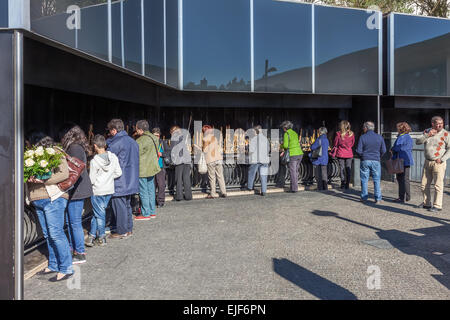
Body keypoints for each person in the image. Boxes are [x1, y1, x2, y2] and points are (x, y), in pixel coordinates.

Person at [27, 134, 73, 282]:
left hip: (53, 198)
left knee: (56, 234)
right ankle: (53, 264)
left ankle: (66, 268)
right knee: (48, 235)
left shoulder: (55, 152)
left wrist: (43, 180)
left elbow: (63, 173)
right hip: (37, 200)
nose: (27, 146)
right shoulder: (30, 157)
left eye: (29, 143)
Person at [59, 123, 93, 264]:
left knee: (74, 222)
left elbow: (74, 171)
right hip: (79, 188)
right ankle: (75, 249)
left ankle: (79, 252)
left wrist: (65, 185)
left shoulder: (74, 148)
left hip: (77, 189)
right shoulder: (78, 147)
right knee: (72, 221)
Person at [86, 134, 122, 247]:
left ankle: (101, 237)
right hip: (109, 189)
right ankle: (91, 236)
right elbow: (119, 173)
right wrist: (109, 177)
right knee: (98, 214)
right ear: (105, 145)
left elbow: (92, 179)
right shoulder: (113, 157)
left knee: (99, 214)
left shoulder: (94, 161)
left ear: (95, 146)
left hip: (97, 190)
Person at [106, 119, 139, 238]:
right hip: (131, 178)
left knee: (119, 207)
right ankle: (128, 229)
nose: (109, 134)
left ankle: (121, 231)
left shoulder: (115, 144)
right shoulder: (133, 141)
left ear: (114, 130)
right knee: (127, 205)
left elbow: (107, 161)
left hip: (119, 180)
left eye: (110, 131)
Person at [416, 116, 450, 212]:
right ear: (432, 124)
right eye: (438, 123)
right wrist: (427, 135)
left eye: (441, 123)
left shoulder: (446, 134)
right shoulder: (427, 131)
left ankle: (437, 205)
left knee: (438, 185)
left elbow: (449, 149)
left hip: (438, 163)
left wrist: (443, 159)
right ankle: (427, 203)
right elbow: (417, 142)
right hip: (427, 161)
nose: (440, 125)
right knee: (424, 184)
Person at [135, 120, 161, 220]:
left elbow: (136, 154)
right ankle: (152, 211)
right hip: (152, 167)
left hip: (143, 168)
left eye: (136, 129)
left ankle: (145, 213)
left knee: (143, 191)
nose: (136, 131)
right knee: (151, 189)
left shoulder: (140, 141)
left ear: (141, 130)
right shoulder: (155, 138)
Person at [356, 121, 386, 203]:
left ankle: (364, 197)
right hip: (376, 160)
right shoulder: (379, 137)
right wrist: (378, 156)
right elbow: (384, 150)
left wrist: (362, 156)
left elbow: (359, 150)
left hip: (365, 160)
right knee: (376, 180)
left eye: (363, 127)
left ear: (366, 128)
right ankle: (378, 198)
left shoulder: (362, 137)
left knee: (364, 179)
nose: (363, 129)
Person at [390, 122, 414, 204]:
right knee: (406, 179)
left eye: (398, 128)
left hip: (400, 160)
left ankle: (401, 197)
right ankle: (407, 196)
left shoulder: (401, 137)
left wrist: (392, 148)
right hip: (407, 160)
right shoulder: (408, 137)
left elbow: (397, 148)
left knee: (400, 179)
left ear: (401, 129)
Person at [168, 125, 192, 201]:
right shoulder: (185, 136)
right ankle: (188, 196)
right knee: (186, 179)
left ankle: (179, 196)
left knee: (178, 179)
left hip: (179, 160)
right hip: (187, 160)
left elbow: (173, 149)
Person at [202, 125, 227, 199]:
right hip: (218, 159)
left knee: (212, 177)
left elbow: (205, 150)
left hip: (211, 160)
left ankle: (213, 193)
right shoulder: (215, 138)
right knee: (220, 176)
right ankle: (224, 192)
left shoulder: (205, 139)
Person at [280, 121, 303, 192]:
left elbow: (286, 145)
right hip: (300, 153)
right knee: (295, 171)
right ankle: (293, 187)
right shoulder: (295, 133)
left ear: (285, 128)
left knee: (292, 172)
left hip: (293, 154)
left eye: (283, 127)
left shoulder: (286, 134)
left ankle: (294, 189)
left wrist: (281, 145)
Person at [331, 120, 355, 190]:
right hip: (349, 153)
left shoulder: (338, 134)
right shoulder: (351, 134)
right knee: (348, 169)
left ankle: (343, 184)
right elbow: (352, 143)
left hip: (341, 153)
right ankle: (347, 184)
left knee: (342, 169)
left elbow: (335, 144)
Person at [247, 125, 270, 196]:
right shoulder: (266, 139)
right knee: (263, 175)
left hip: (256, 159)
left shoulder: (254, 139)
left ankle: (250, 187)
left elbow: (251, 150)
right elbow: (268, 149)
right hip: (264, 159)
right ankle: (263, 191)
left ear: (256, 131)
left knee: (251, 173)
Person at [152, 128, 168, 208]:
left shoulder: (162, 142)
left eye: (158, 136)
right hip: (151, 167)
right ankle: (153, 201)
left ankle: (161, 201)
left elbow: (168, 153)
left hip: (161, 167)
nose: (156, 137)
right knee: (153, 185)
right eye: (155, 135)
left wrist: (161, 154)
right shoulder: (150, 143)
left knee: (161, 185)